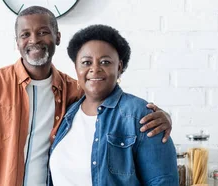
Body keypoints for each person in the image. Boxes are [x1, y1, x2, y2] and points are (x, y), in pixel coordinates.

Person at [0, 6, 174, 186]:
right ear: (17, 42)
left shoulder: (74, 91)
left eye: (43, 32)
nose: (34, 40)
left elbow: (110, 106)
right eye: (25, 34)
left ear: (57, 37)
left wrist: (163, 117)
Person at [48, 24, 178, 186]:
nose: (95, 69)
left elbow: (163, 181)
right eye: (86, 62)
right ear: (76, 68)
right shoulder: (67, 114)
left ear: (119, 67)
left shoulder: (141, 116)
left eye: (105, 62)